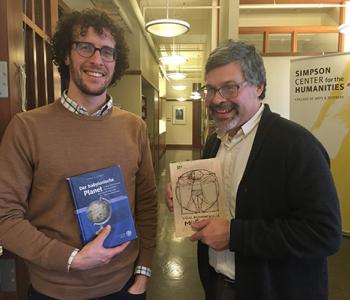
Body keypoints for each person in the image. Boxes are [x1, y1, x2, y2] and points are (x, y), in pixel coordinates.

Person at [165, 40, 342, 300]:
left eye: (229, 88)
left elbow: (324, 233)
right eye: (211, 90)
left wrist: (236, 235)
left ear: (259, 87)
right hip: (217, 283)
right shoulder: (215, 141)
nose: (216, 100)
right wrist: (181, 193)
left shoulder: (296, 144)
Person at [0, 9, 157, 300]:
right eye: (85, 47)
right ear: (67, 54)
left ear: (116, 61)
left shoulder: (134, 127)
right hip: (55, 290)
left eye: (107, 51)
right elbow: (5, 216)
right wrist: (71, 259)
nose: (97, 59)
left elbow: (147, 206)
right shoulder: (26, 128)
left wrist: (144, 270)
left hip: (124, 287)